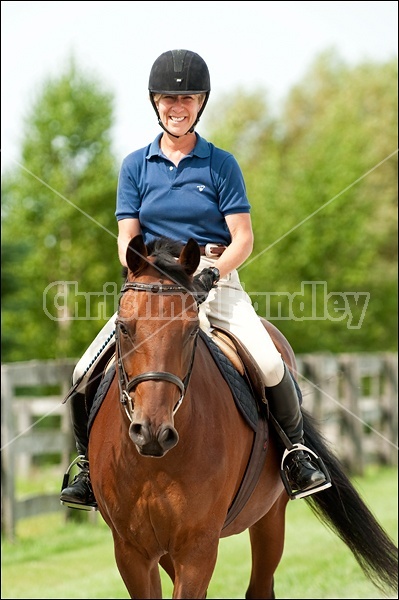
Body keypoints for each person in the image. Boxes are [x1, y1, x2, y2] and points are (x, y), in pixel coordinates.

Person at [60, 49, 331, 509]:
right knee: (85, 369)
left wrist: (212, 273)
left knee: (267, 363)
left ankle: (296, 455)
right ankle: (87, 466)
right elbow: (127, 237)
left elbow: (242, 237)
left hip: (213, 279)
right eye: (168, 97)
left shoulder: (220, 164)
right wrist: (140, 272)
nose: (177, 106)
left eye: (187, 97)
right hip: (152, 284)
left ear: (201, 102)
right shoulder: (135, 166)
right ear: (155, 102)